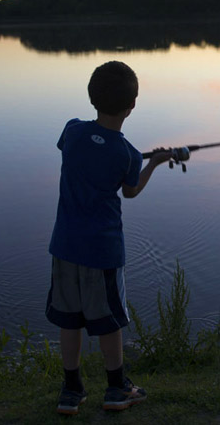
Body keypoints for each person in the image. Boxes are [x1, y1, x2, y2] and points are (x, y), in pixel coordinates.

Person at [45, 61, 171, 415]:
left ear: (91, 97)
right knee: (109, 320)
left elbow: (81, 152)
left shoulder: (71, 131)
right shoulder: (128, 154)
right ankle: (116, 388)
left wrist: (105, 148)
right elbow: (130, 191)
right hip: (102, 251)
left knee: (69, 319)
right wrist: (154, 163)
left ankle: (71, 391)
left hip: (65, 246)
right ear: (132, 106)